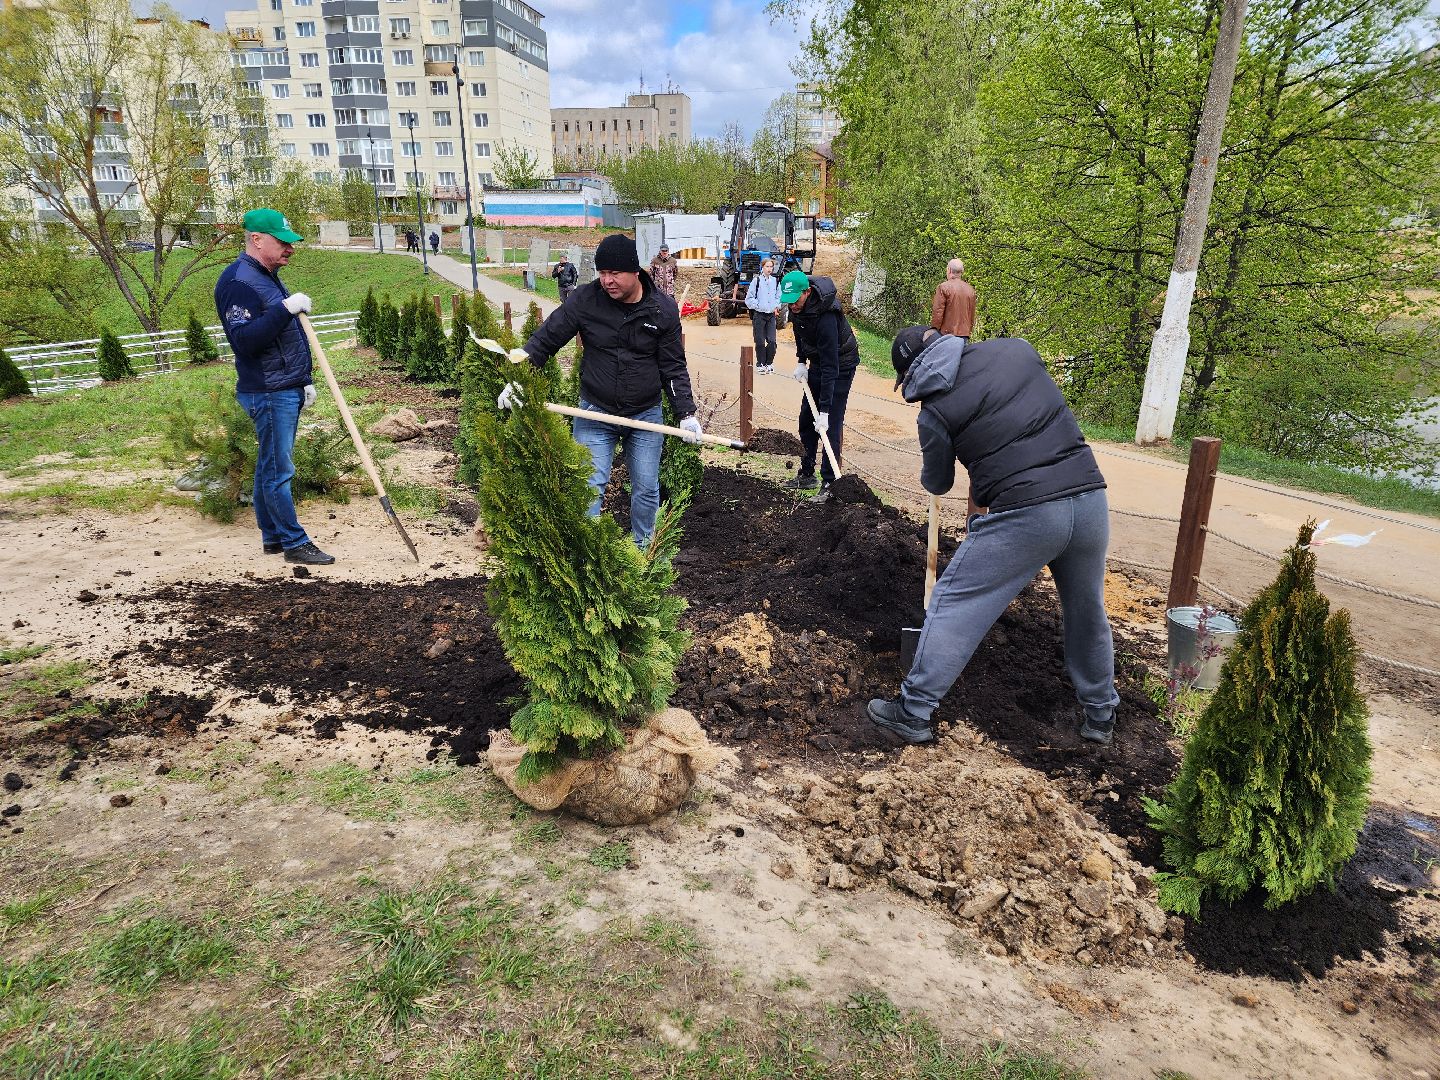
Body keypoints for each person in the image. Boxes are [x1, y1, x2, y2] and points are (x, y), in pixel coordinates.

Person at [867, 327, 1119, 747]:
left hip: (1029, 513)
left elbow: (939, 481)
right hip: (1089, 499)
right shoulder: (1017, 350)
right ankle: (1100, 715)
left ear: (911, 376)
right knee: (1087, 610)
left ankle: (913, 711)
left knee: (955, 601)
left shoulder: (934, 413)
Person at [507, 233, 704, 546]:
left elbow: (673, 366)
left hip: (644, 414)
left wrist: (686, 412)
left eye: (614, 273)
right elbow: (546, 339)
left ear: (635, 272)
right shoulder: (586, 299)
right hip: (595, 410)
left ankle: (644, 557)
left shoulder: (662, 310)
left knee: (646, 488)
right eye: (602, 273)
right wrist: (519, 379)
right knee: (587, 486)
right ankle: (589, 558)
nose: (607, 280)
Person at [214, 208, 335, 567]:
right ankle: (295, 543)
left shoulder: (267, 275)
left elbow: (288, 338)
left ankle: (273, 538)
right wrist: (285, 309)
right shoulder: (239, 283)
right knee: (279, 470)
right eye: (283, 242)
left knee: (269, 465)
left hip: (284, 385)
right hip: (267, 390)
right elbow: (245, 342)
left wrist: (305, 380)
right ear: (257, 240)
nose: (290, 249)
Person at [778, 271, 859, 495]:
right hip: (817, 361)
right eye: (788, 301)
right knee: (806, 419)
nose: (792, 305)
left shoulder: (827, 316)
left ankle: (830, 481)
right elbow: (799, 334)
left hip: (841, 365)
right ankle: (806, 474)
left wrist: (824, 410)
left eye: (795, 299)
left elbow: (831, 367)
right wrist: (801, 361)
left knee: (829, 423)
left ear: (807, 292)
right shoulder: (797, 308)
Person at [744, 257, 780, 374]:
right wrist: (758, 305)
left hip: (771, 316)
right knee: (759, 341)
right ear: (762, 267)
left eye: (771, 266)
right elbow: (749, 299)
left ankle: (769, 363)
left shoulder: (775, 281)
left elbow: (779, 297)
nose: (769, 269)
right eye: (767, 266)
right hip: (759, 315)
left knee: (772, 341)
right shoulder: (757, 281)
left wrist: (776, 306)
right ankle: (760, 363)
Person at [930, 258, 976, 341]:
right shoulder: (970, 290)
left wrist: (934, 330)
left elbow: (938, 312)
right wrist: (968, 331)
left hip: (946, 334)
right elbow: (972, 315)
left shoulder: (943, 287)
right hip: (964, 335)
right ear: (962, 271)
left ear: (949, 270)